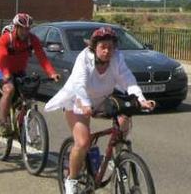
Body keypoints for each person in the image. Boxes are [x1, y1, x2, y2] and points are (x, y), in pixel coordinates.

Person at [45, 26, 155, 194]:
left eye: (110, 47)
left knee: (125, 115)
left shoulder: (117, 58)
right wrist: (85, 104)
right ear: (94, 47)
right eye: (103, 47)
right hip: (78, 101)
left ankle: (118, 158)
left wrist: (141, 100)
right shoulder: (84, 58)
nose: (107, 51)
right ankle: (72, 180)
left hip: (103, 98)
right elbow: (80, 84)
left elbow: (128, 80)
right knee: (82, 142)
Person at [0, 12, 60, 136]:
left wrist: (52, 73)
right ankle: (3, 124)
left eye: (27, 29)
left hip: (19, 71)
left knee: (27, 96)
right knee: (9, 90)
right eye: (22, 29)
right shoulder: (7, 39)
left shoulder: (32, 39)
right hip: (1, 69)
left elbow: (42, 57)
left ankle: (20, 124)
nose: (25, 32)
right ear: (16, 27)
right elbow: (2, 57)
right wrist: (6, 74)